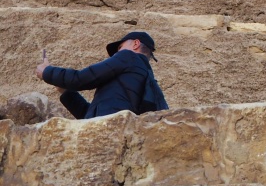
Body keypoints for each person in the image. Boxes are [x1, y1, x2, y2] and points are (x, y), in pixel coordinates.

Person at [37, 30, 168, 119]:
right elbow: (91, 115)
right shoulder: (145, 79)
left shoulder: (128, 57)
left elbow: (82, 78)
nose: (117, 54)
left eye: (120, 47)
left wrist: (47, 72)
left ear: (135, 44)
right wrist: (65, 91)